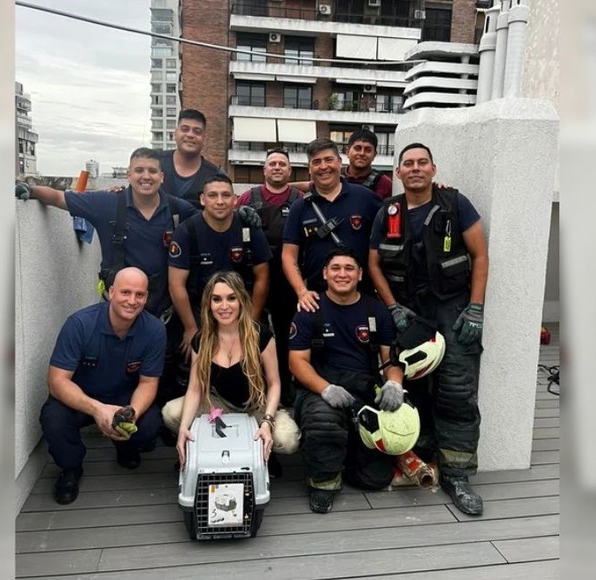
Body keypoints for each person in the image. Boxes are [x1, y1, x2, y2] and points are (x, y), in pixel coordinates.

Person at [367, 143, 489, 516]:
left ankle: (457, 474)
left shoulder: (456, 204)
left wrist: (476, 309)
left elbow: (480, 255)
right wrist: (392, 307)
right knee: (410, 388)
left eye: (422, 162)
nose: (416, 168)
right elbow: (373, 265)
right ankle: (418, 457)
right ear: (398, 173)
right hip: (408, 310)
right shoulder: (387, 212)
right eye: (408, 164)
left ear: (433, 169)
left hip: (452, 307)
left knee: (456, 391)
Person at [14, 147, 197, 316]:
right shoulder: (106, 204)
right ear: (128, 175)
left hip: (162, 315)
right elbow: (58, 197)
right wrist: (31, 190)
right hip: (116, 313)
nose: (146, 176)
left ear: (162, 176)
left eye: (152, 171)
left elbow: (210, 220)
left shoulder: (177, 209)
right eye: (139, 170)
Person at [289, 248, 403, 513]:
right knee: (323, 422)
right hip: (319, 389)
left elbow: (391, 359)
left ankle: (349, 455)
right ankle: (324, 483)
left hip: (363, 389)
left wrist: (394, 384)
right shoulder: (309, 309)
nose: (342, 274)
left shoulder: (376, 311)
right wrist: (325, 388)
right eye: (336, 268)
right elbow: (297, 362)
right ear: (325, 273)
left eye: (349, 268)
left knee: (374, 479)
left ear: (360, 274)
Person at [39, 268, 165, 505]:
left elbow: (148, 383)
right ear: (110, 292)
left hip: (123, 398)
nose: (132, 301)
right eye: (125, 292)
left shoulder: (155, 330)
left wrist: (131, 414)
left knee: (150, 423)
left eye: (139, 295)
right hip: (81, 398)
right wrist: (97, 409)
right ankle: (71, 468)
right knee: (53, 418)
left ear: (147, 298)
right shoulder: (79, 324)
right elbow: (57, 382)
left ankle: (125, 445)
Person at [165, 271, 300, 476]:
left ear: (241, 300)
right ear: (209, 304)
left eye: (231, 298)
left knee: (288, 440)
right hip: (217, 403)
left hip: (256, 405)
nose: (224, 306)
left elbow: (274, 384)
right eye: (217, 299)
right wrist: (184, 428)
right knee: (171, 413)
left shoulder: (260, 335)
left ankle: (265, 452)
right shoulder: (201, 339)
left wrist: (267, 421)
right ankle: (196, 450)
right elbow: (194, 388)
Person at [168, 175, 272, 363]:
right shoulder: (186, 232)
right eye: (213, 195)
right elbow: (176, 284)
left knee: (250, 364)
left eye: (225, 195)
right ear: (202, 199)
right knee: (195, 366)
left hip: (242, 311)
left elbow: (262, 277)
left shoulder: (249, 227)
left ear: (235, 199)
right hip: (200, 312)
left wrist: (251, 323)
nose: (220, 201)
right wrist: (190, 327)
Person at [282, 138, 382, 313]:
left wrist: (435, 190)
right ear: (309, 169)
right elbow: (289, 256)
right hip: (317, 300)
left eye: (328, 160)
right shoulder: (299, 207)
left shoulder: (366, 198)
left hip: (362, 298)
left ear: (339, 162)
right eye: (316, 162)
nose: (323, 167)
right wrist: (302, 292)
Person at [237, 148, 303, 404]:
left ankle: (285, 391)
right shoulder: (247, 198)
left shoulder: (300, 199)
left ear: (289, 171)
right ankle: (254, 388)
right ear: (264, 170)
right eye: (272, 164)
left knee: (288, 337)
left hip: (289, 281)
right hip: (252, 281)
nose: (277, 167)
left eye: (282, 164)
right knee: (253, 334)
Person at [158, 109, 225, 208]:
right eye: (185, 129)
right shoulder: (155, 163)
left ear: (204, 138)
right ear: (175, 133)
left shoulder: (215, 175)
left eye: (197, 132)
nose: (190, 135)